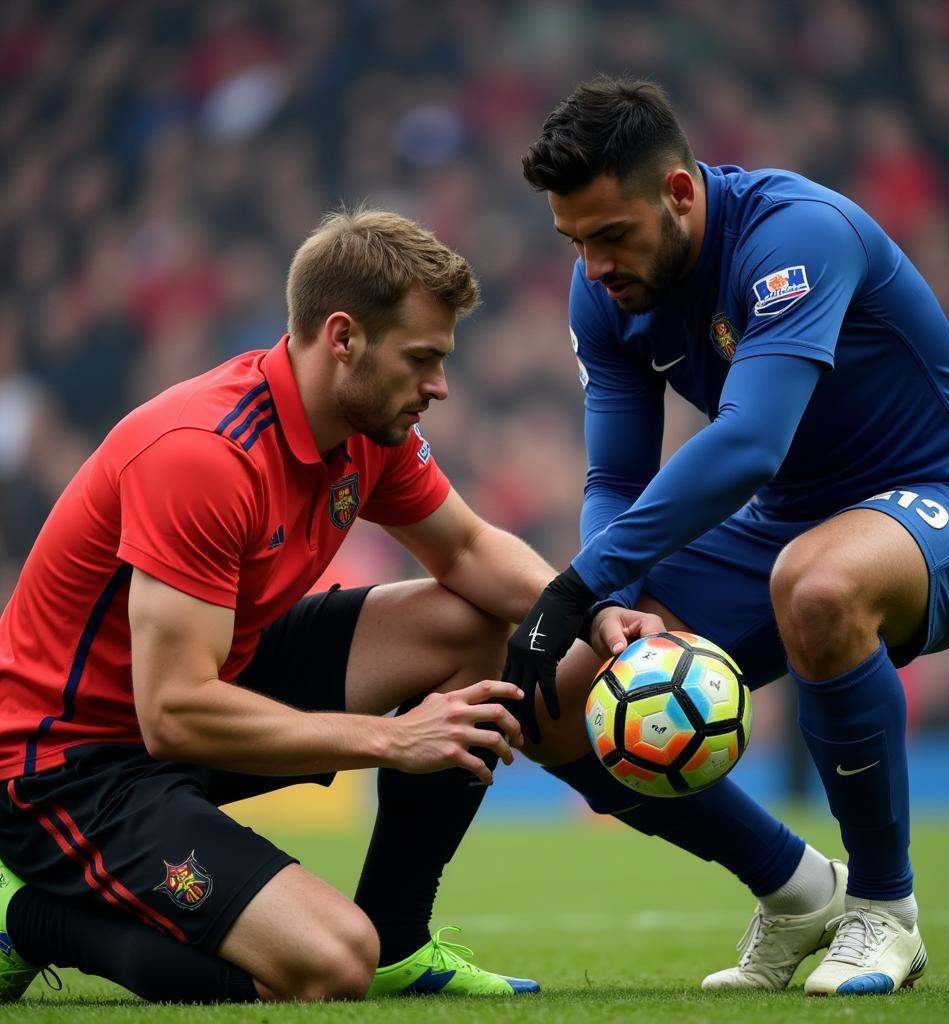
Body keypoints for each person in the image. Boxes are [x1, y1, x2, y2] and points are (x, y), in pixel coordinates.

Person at [0, 209, 655, 1004]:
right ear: (342, 337)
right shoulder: (202, 456)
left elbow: (470, 551)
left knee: (469, 623)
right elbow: (171, 711)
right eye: (421, 359)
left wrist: (589, 609)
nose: (440, 386)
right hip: (67, 766)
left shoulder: (367, 427)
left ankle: (401, 944)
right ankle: (33, 919)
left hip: (201, 694)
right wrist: (393, 737)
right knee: (328, 965)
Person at [506, 77, 949, 997]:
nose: (592, 266)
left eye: (610, 235)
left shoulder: (795, 234)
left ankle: (884, 910)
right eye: (573, 241)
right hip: (788, 530)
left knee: (817, 585)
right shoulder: (606, 295)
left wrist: (580, 584)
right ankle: (795, 890)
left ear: (678, 192)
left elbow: (749, 444)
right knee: (552, 706)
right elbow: (614, 483)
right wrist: (612, 602)